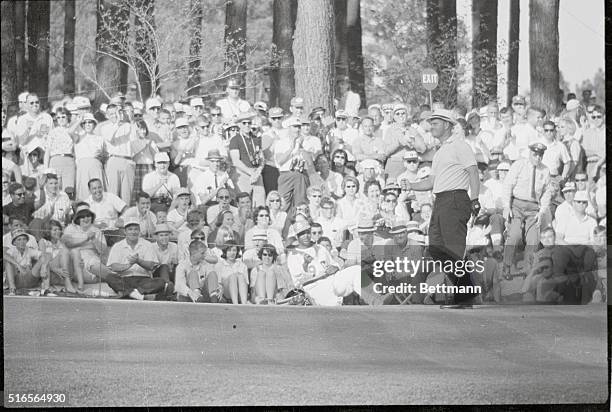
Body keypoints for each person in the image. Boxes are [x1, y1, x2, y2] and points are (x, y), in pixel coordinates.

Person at [406, 109, 480, 307]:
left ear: (448, 124)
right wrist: (411, 185)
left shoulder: (460, 146)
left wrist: (475, 199)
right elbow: (431, 181)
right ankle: (466, 290)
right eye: (430, 123)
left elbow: (473, 171)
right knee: (437, 247)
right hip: (441, 200)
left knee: (453, 248)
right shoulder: (440, 151)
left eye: (436, 122)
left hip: (456, 198)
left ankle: (465, 295)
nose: (431, 126)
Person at [502, 142, 552, 276]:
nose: (537, 158)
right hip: (517, 205)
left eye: (540, 155)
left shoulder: (545, 170)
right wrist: (507, 207)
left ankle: (528, 269)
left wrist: (541, 212)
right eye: (535, 154)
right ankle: (506, 265)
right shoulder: (519, 165)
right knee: (514, 236)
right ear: (530, 153)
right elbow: (508, 185)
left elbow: (547, 192)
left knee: (533, 239)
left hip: (533, 209)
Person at [105, 218, 174, 300]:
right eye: (130, 229)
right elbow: (113, 267)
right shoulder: (118, 246)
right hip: (125, 279)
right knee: (110, 277)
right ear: (125, 231)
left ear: (139, 231)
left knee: (161, 282)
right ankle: (139, 295)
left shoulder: (147, 244)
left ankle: (128, 294)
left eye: (136, 229)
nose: (133, 232)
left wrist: (139, 261)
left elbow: (152, 266)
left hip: (143, 280)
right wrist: (129, 265)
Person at [62, 203, 115, 290]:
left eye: (88, 215)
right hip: (74, 262)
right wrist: (86, 239)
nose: (86, 218)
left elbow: (103, 251)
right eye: (82, 216)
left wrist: (94, 239)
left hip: (91, 260)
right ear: (77, 218)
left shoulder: (96, 230)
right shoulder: (70, 229)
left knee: (95, 265)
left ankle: (120, 279)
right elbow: (68, 243)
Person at [97, 104, 135, 204]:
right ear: (107, 116)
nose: (115, 115)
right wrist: (118, 122)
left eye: (117, 113)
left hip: (128, 160)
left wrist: (127, 120)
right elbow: (110, 138)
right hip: (114, 160)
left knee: (127, 195)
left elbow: (134, 141)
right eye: (111, 114)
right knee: (113, 194)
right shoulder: (105, 127)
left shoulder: (128, 126)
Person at [273, 117, 310, 212]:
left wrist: (301, 147)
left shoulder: (305, 141)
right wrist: (291, 148)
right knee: (283, 204)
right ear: (288, 128)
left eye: (299, 127)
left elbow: (309, 162)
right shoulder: (281, 142)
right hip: (287, 174)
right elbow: (280, 161)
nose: (297, 129)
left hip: (301, 174)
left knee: (301, 205)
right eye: (295, 127)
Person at [229, 111, 265, 206]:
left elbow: (261, 158)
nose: (247, 125)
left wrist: (258, 172)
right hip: (243, 174)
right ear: (239, 125)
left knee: (260, 203)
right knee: (244, 203)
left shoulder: (256, 139)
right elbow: (236, 161)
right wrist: (251, 173)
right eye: (244, 123)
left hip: (256, 174)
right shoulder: (235, 140)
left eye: (249, 123)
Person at [5, 228, 50, 295]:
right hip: (16, 280)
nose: (22, 242)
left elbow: (46, 255)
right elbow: (5, 255)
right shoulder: (12, 250)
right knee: (8, 262)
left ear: (26, 241)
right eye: (19, 239)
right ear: (14, 242)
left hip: (29, 279)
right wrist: (18, 265)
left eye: (24, 239)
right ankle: (12, 289)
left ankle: (46, 289)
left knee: (44, 261)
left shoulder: (29, 250)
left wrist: (43, 267)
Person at [74, 113, 106, 201]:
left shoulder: (100, 138)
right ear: (82, 125)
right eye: (85, 123)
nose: (87, 124)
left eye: (90, 122)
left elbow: (104, 156)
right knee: (84, 193)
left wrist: (101, 157)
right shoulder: (78, 137)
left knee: (98, 192)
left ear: (94, 124)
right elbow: (69, 132)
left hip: (96, 167)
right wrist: (79, 120)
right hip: (83, 167)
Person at [44, 107, 77, 189]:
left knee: (69, 189)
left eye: (63, 117)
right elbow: (47, 151)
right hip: (55, 160)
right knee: (55, 189)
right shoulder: (52, 132)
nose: (61, 119)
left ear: (68, 117)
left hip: (69, 161)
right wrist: (46, 169)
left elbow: (75, 149)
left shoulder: (73, 132)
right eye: (58, 117)